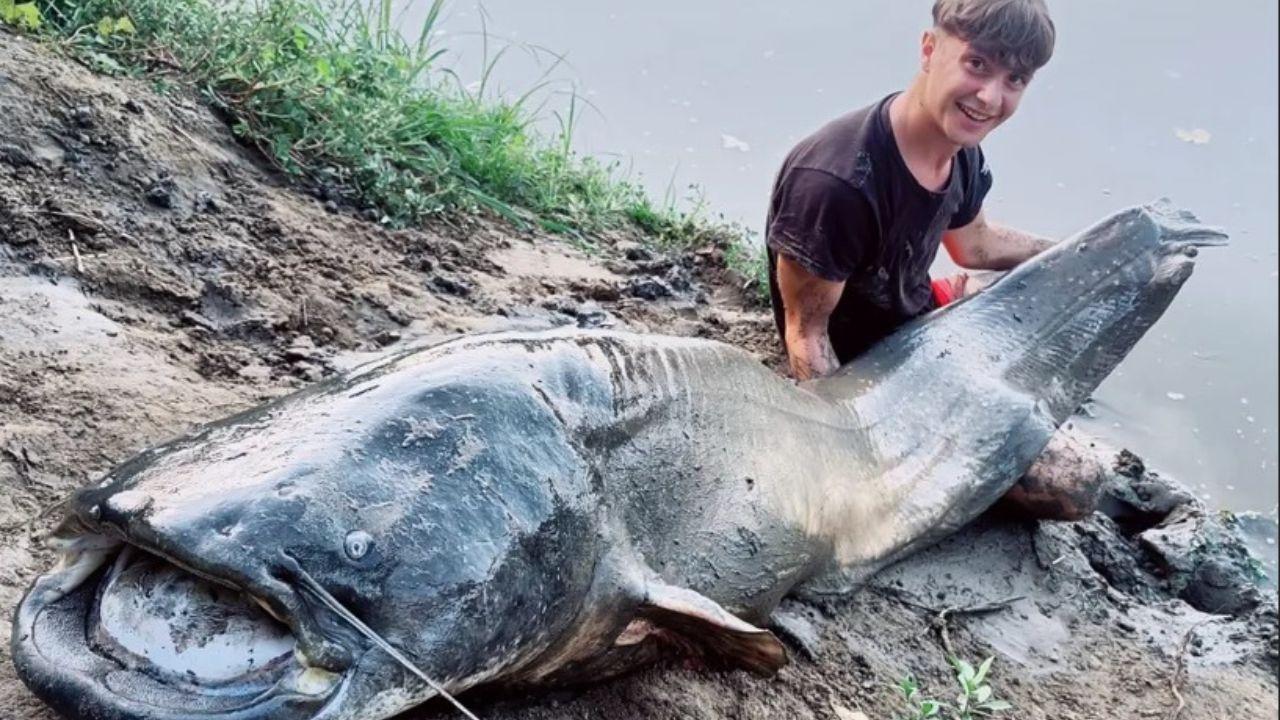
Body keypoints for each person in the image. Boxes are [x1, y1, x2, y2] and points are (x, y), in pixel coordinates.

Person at [765, 0, 1100, 520]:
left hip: (916, 318)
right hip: (871, 368)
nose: (990, 97)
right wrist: (859, 458)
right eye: (977, 65)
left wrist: (1075, 254)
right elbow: (806, 337)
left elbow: (977, 247)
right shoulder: (837, 184)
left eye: (1015, 79)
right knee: (1072, 485)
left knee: (1033, 309)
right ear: (930, 49)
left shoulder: (958, 150)